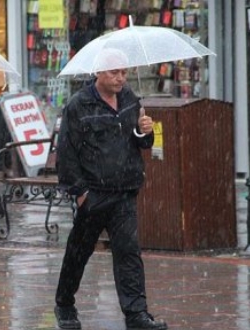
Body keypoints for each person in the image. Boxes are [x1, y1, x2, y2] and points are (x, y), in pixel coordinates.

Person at [53, 49, 168, 330]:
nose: (120, 78)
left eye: (124, 72)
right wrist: (80, 193)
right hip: (93, 193)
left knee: (128, 252)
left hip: (124, 191)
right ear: (98, 74)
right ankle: (65, 303)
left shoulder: (130, 99)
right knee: (79, 251)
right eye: (114, 72)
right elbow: (66, 152)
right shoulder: (79, 105)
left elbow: (144, 143)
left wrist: (145, 130)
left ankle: (136, 313)